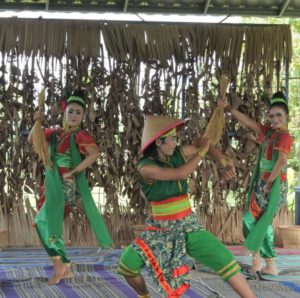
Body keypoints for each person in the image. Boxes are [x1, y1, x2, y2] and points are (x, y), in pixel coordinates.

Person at [117, 115, 256, 298]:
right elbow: (181, 173)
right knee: (127, 266)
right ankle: (144, 295)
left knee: (225, 259)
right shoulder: (146, 167)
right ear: (159, 141)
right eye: (173, 139)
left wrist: (223, 163)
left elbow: (206, 145)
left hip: (188, 225)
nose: (176, 143)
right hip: (161, 230)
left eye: (176, 139)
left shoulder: (176, 153)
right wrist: (200, 153)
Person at [28, 90, 113, 285]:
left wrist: (74, 171)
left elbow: (94, 154)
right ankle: (63, 267)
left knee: (43, 222)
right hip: (51, 183)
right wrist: (37, 121)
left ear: (83, 116)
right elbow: (34, 139)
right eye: (71, 111)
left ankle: (60, 268)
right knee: (47, 223)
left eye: (78, 113)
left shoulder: (80, 135)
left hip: (66, 186)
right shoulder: (57, 133)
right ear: (64, 112)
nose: (74, 116)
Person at [219, 91, 293, 275]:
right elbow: (249, 123)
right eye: (272, 116)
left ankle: (269, 265)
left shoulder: (284, 137)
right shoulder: (269, 133)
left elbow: (281, 161)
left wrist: (269, 181)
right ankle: (259, 261)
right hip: (263, 183)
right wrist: (228, 108)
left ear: (287, 117)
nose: (274, 119)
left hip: (273, 184)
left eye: (279, 116)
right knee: (251, 220)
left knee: (261, 222)